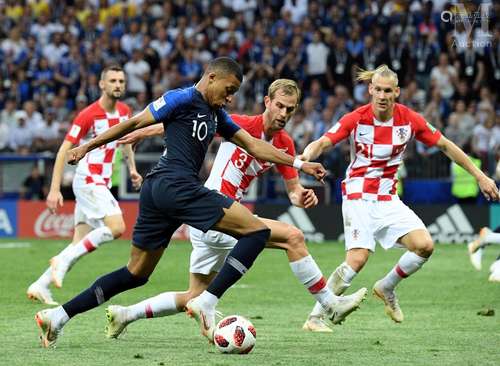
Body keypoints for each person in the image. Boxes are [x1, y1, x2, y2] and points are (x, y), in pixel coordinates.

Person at [34, 57, 330, 348]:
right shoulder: (182, 98)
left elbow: (255, 146)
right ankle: (206, 302)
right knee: (256, 232)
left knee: (135, 273)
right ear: (212, 77)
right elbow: (136, 120)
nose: (229, 98)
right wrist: (87, 146)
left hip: (158, 191)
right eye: (228, 90)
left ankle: (57, 316)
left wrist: (299, 165)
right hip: (176, 186)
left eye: (234, 94)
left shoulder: (217, 114)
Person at [102, 79, 367, 338]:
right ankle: (330, 304)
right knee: (293, 237)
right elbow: (180, 123)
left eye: (290, 109)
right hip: (215, 212)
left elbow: (293, 190)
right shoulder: (241, 124)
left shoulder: (285, 143)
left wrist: (301, 197)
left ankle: (125, 314)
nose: (283, 113)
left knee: (193, 295)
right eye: (280, 106)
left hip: (222, 220)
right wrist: (140, 131)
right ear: (267, 102)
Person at [300, 65, 499, 331]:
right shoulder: (356, 118)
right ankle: (314, 317)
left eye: (387, 91)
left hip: (388, 197)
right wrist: (306, 156)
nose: (382, 95)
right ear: (370, 90)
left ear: (397, 92)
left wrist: (480, 176)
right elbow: (324, 141)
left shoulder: (409, 119)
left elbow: (446, 146)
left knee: (424, 245)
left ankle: (386, 287)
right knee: (358, 258)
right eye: (378, 90)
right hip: (358, 194)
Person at [27, 65, 143, 306]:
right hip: (89, 179)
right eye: (112, 81)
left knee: (79, 242)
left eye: (121, 81)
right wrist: (55, 188)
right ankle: (63, 260)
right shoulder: (88, 115)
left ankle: (40, 284)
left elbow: (125, 142)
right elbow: (63, 151)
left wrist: (132, 169)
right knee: (117, 227)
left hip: (101, 181)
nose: (118, 85)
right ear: (102, 84)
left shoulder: (125, 111)